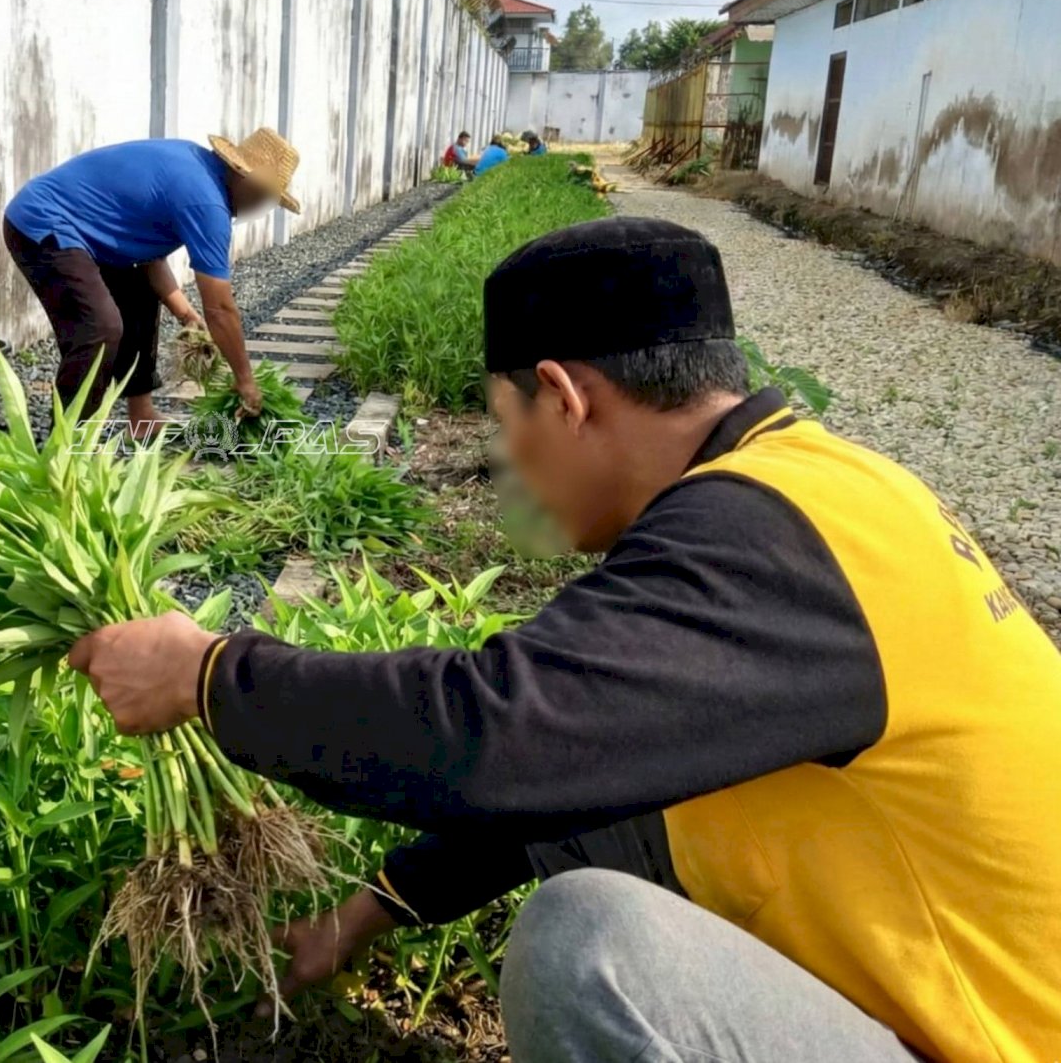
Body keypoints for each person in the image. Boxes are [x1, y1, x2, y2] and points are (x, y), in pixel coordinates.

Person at [69, 217, 1061, 1062]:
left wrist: (211, 676)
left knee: (587, 949)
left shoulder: (762, 540)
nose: (510, 461)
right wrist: (370, 909)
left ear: (564, 396)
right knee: (619, 805)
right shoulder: (825, 490)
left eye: (506, 425)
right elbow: (583, 764)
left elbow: (500, 734)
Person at [3, 129, 300, 436]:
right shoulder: (207, 203)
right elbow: (221, 309)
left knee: (140, 294)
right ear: (244, 179)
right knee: (99, 328)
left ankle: (141, 418)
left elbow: (150, 259)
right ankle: (66, 443)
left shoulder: (197, 167)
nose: (260, 207)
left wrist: (187, 316)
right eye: (263, 197)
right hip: (42, 223)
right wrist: (245, 381)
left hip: (84, 232)